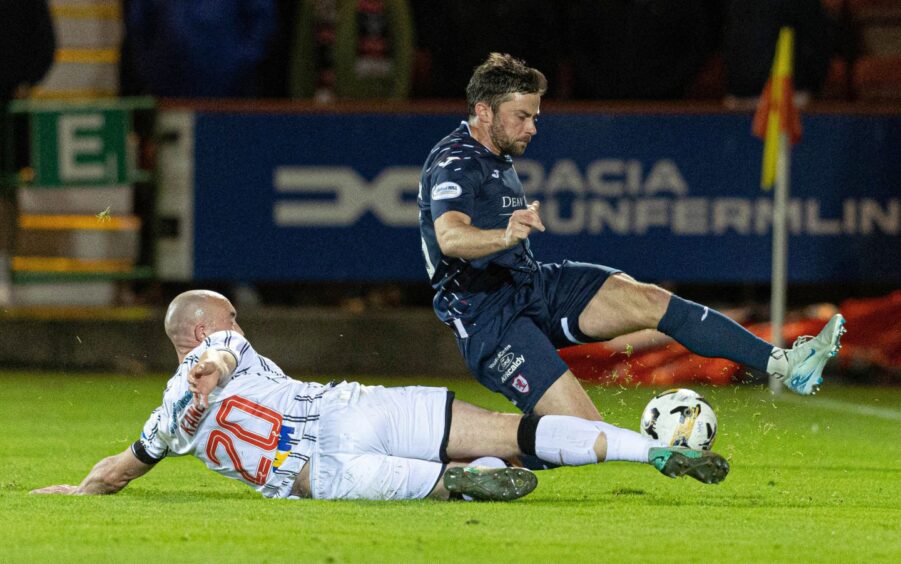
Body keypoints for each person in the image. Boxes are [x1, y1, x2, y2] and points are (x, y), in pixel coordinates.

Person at [417, 53, 846, 422]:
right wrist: (505, 235)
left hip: (531, 285)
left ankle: (788, 363)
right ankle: (478, 460)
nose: (532, 128)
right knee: (584, 431)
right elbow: (451, 238)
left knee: (649, 300)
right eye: (523, 117)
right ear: (485, 112)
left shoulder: (495, 151)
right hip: (489, 317)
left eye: (535, 117)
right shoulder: (455, 162)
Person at [32, 290, 729, 502]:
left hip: (322, 475)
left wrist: (71, 494)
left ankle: (463, 484)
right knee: (510, 431)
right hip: (350, 408)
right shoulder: (222, 347)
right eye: (230, 321)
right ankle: (648, 453)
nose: (237, 328)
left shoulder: (166, 421)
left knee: (446, 485)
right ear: (206, 329)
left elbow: (118, 470)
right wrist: (210, 366)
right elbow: (216, 354)